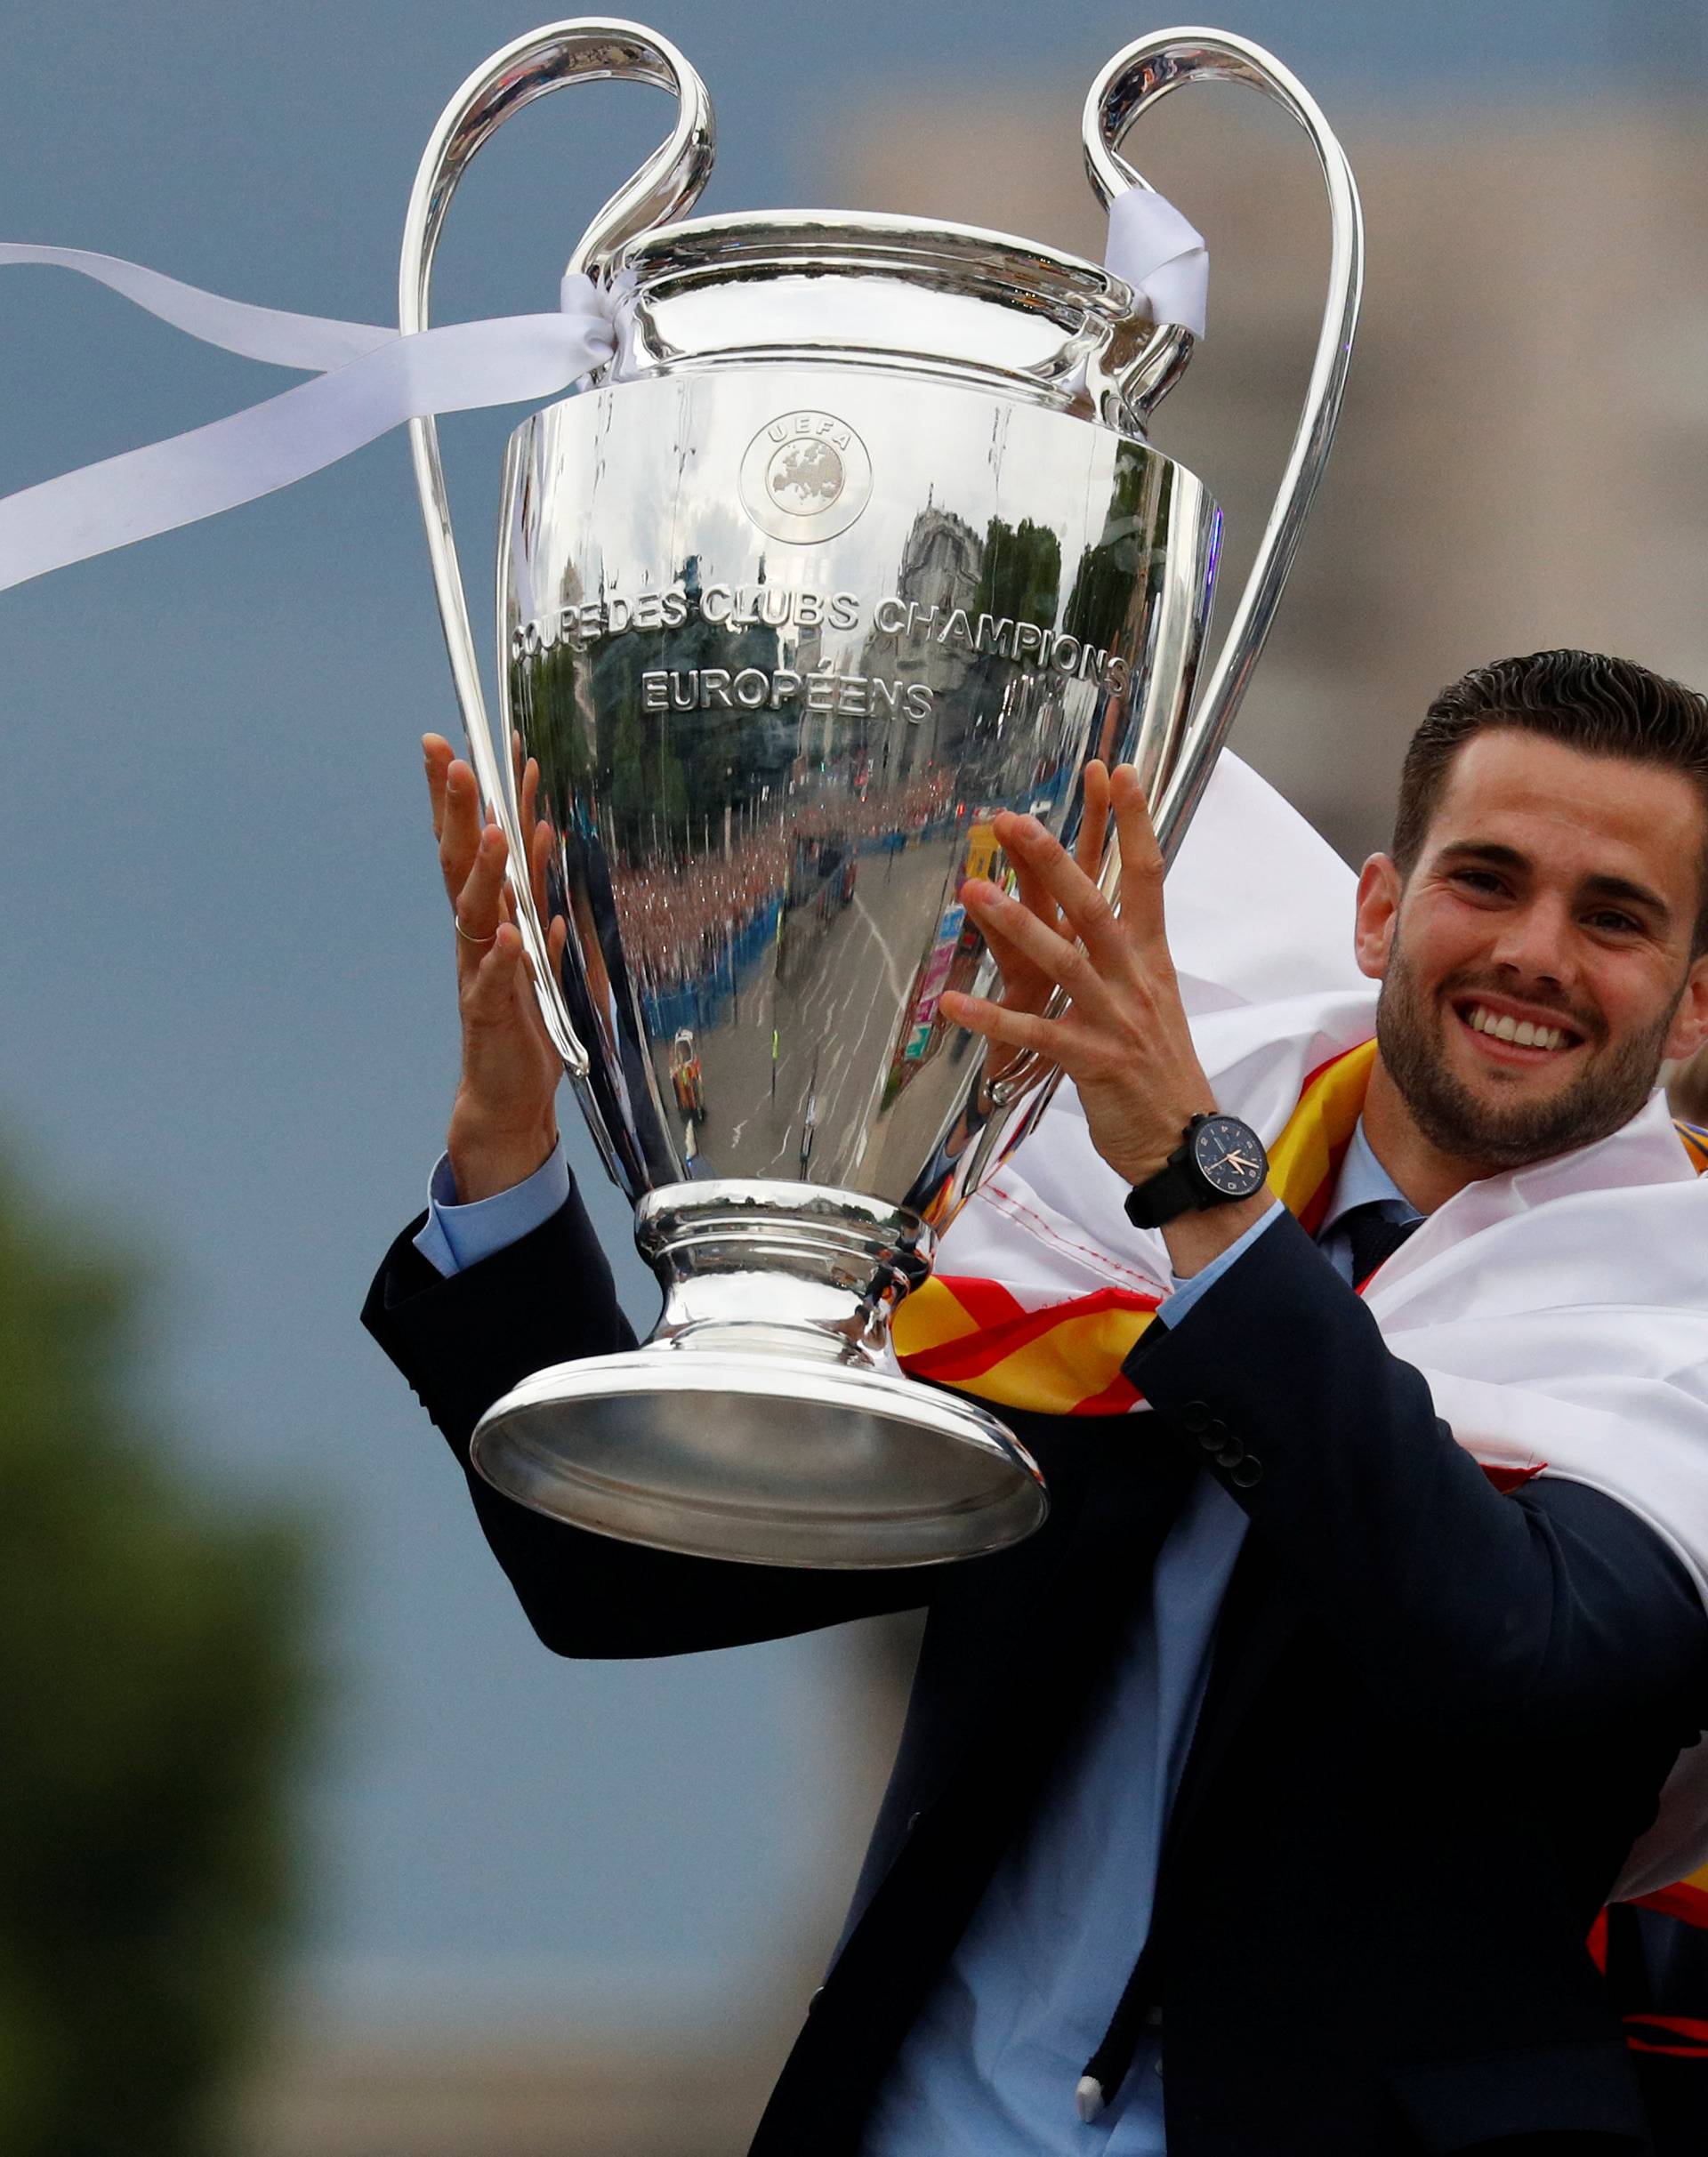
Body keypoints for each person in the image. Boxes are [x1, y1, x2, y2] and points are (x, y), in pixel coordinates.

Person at [366, 652, 1708, 2156]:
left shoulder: (1675, 1317)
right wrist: (506, 1139)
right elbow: (617, 1570)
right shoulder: (1085, 1226)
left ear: (1697, 1003)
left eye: (1614, 916)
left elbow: (1502, 1646)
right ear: (1381, 910)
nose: (1534, 951)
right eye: (1490, 879)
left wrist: (1209, 1200)